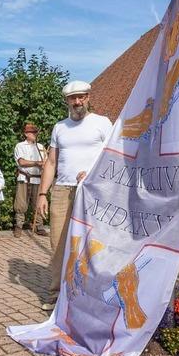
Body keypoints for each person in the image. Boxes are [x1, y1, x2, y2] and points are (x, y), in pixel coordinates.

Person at [36, 80, 113, 311]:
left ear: (88, 97)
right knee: (59, 242)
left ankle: (93, 293)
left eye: (81, 97)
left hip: (92, 190)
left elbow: (112, 156)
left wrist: (91, 174)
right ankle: (57, 294)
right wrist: (42, 193)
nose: (77, 101)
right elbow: (51, 162)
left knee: (94, 242)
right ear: (66, 101)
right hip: (62, 190)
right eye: (73, 98)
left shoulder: (102, 123)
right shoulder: (60, 127)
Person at [13, 123, 48, 237]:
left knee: (38, 203)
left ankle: (39, 226)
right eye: (32, 132)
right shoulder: (20, 146)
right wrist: (36, 163)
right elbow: (21, 162)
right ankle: (19, 226)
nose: (34, 134)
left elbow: (47, 163)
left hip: (38, 179)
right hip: (24, 178)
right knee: (21, 204)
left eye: (35, 132)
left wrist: (44, 165)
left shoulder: (41, 147)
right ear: (26, 134)